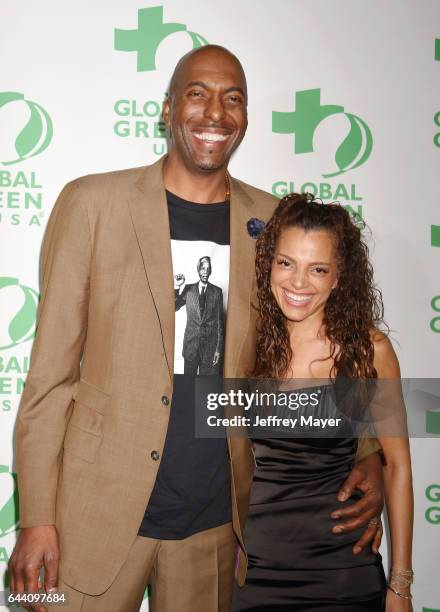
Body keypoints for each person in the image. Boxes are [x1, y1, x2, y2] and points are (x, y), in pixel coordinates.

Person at [9, 46, 385, 612]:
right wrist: (36, 517)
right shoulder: (91, 204)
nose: (216, 112)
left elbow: (325, 341)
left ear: (246, 118)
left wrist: (368, 454)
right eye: (198, 94)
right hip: (93, 515)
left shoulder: (274, 223)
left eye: (233, 98)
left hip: (215, 525)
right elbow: (49, 380)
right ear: (166, 110)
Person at [231, 194, 414, 612]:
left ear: (338, 278)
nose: (298, 283)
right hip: (253, 574)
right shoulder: (245, 345)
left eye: (318, 269)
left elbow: (398, 466)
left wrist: (400, 584)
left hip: (342, 574)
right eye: (286, 263)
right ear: (268, 265)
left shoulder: (370, 351)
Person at [175, 256, 224, 375]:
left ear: (211, 271)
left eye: (208, 268)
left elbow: (219, 323)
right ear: (198, 270)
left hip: (209, 350)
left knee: (206, 388)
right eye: (203, 268)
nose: (205, 271)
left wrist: (218, 350)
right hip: (191, 347)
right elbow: (174, 306)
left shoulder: (217, 292)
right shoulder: (188, 289)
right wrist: (177, 287)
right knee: (187, 385)